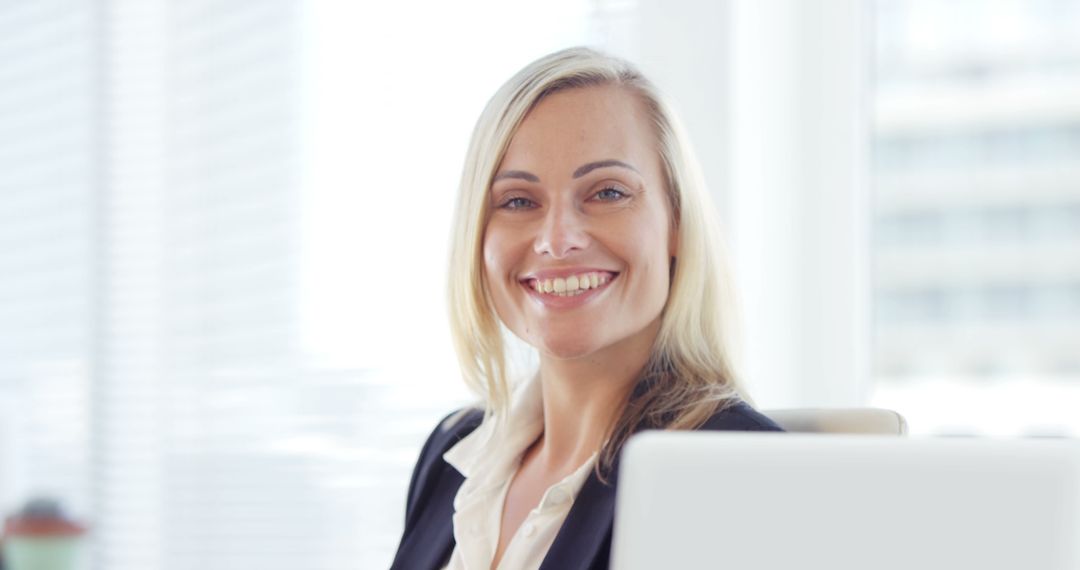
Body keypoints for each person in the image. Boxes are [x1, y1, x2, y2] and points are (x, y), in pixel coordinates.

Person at [390, 46, 783, 570]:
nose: (557, 240)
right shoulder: (453, 452)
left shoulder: (736, 469)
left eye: (608, 192)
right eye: (518, 201)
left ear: (678, 224)